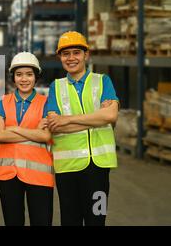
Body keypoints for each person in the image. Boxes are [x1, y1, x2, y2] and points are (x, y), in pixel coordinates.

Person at [44, 31, 119, 226]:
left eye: (76, 52)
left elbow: (110, 116)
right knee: (70, 220)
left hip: (100, 167)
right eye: (65, 54)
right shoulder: (55, 87)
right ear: (60, 57)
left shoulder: (103, 81)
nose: (71, 58)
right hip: (67, 169)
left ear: (86, 55)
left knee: (98, 218)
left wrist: (67, 120)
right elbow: (53, 124)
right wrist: (97, 118)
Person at [0, 52, 54, 226]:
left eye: (29, 74)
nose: (24, 79)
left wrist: (14, 129)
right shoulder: (2, 102)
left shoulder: (47, 102)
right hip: (8, 175)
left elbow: (46, 135)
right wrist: (33, 132)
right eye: (19, 74)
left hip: (39, 175)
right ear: (13, 77)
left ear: (36, 77)